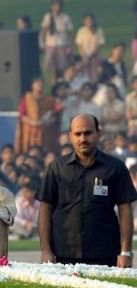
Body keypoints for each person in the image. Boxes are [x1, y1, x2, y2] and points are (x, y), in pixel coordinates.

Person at [36, 113, 137, 267]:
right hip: (63, 253)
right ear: (70, 136)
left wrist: (126, 252)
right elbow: (45, 208)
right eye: (78, 134)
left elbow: (125, 208)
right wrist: (45, 250)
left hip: (105, 253)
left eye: (88, 133)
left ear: (99, 133)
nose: (83, 139)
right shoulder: (56, 168)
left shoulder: (115, 167)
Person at [15, 76, 61, 155]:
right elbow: (22, 115)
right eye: (37, 83)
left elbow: (57, 113)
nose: (39, 85)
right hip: (30, 132)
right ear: (32, 85)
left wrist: (48, 121)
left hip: (46, 132)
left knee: (46, 152)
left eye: (41, 83)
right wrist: (33, 122)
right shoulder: (27, 98)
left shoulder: (50, 100)